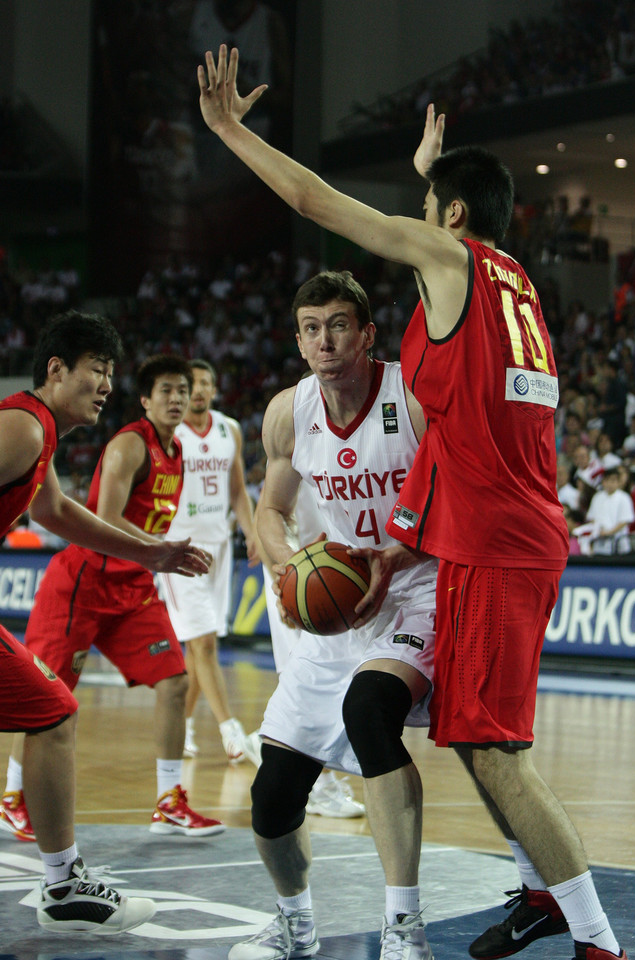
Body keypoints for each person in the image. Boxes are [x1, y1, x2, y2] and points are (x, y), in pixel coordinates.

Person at [196, 47, 628, 960]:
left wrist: (233, 132)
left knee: (497, 754)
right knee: (475, 742)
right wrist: (400, 538)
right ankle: (538, 892)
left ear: (452, 224)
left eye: (426, 212)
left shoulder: (451, 259)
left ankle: (596, 938)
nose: (413, 224)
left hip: (497, 546)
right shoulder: (514, 282)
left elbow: (322, 204)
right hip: (486, 533)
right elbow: (455, 433)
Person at [233, 270, 437, 960]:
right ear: (298, 341)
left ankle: (403, 927)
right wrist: (288, 566)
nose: (327, 340)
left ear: (368, 333)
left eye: (340, 324)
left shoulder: (410, 396)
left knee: (369, 709)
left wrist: (400, 555)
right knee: (272, 797)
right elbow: (269, 511)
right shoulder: (290, 412)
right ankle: (295, 923)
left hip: (416, 587)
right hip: (343, 602)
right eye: (313, 328)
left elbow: (465, 490)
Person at [0, 311, 209, 932]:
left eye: (112, 372)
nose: (107, 384)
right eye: (98, 370)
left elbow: (55, 511)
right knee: (53, 709)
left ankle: (63, 883)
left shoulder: (40, 435)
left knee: (52, 708)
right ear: (57, 370)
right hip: (85, 590)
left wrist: (151, 552)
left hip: (128, 582)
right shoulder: (24, 429)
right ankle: (62, 885)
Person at [160, 358, 261, 765]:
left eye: (206, 383)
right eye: (192, 384)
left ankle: (182, 728)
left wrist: (251, 533)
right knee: (201, 641)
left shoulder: (228, 429)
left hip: (219, 546)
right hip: (179, 548)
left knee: (203, 645)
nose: (199, 391)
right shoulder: (169, 432)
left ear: (215, 390)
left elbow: (238, 490)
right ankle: (230, 729)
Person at [258, 480, 366, 820]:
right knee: (297, 677)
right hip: (304, 583)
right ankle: (320, 786)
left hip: (342, 574)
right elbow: (269, 513)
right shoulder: (296, 440)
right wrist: (286, 575)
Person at [586, 467, 635, 555]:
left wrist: (608, 532)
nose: (610, 484)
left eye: (613, 481)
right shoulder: (597, 497)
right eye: (607, 480)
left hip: (619, 543)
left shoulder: (624, 497)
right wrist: (598, 530)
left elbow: (625, 520)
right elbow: (592, 517)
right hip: (599, 542)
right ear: (603, 482)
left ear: (619, 482)